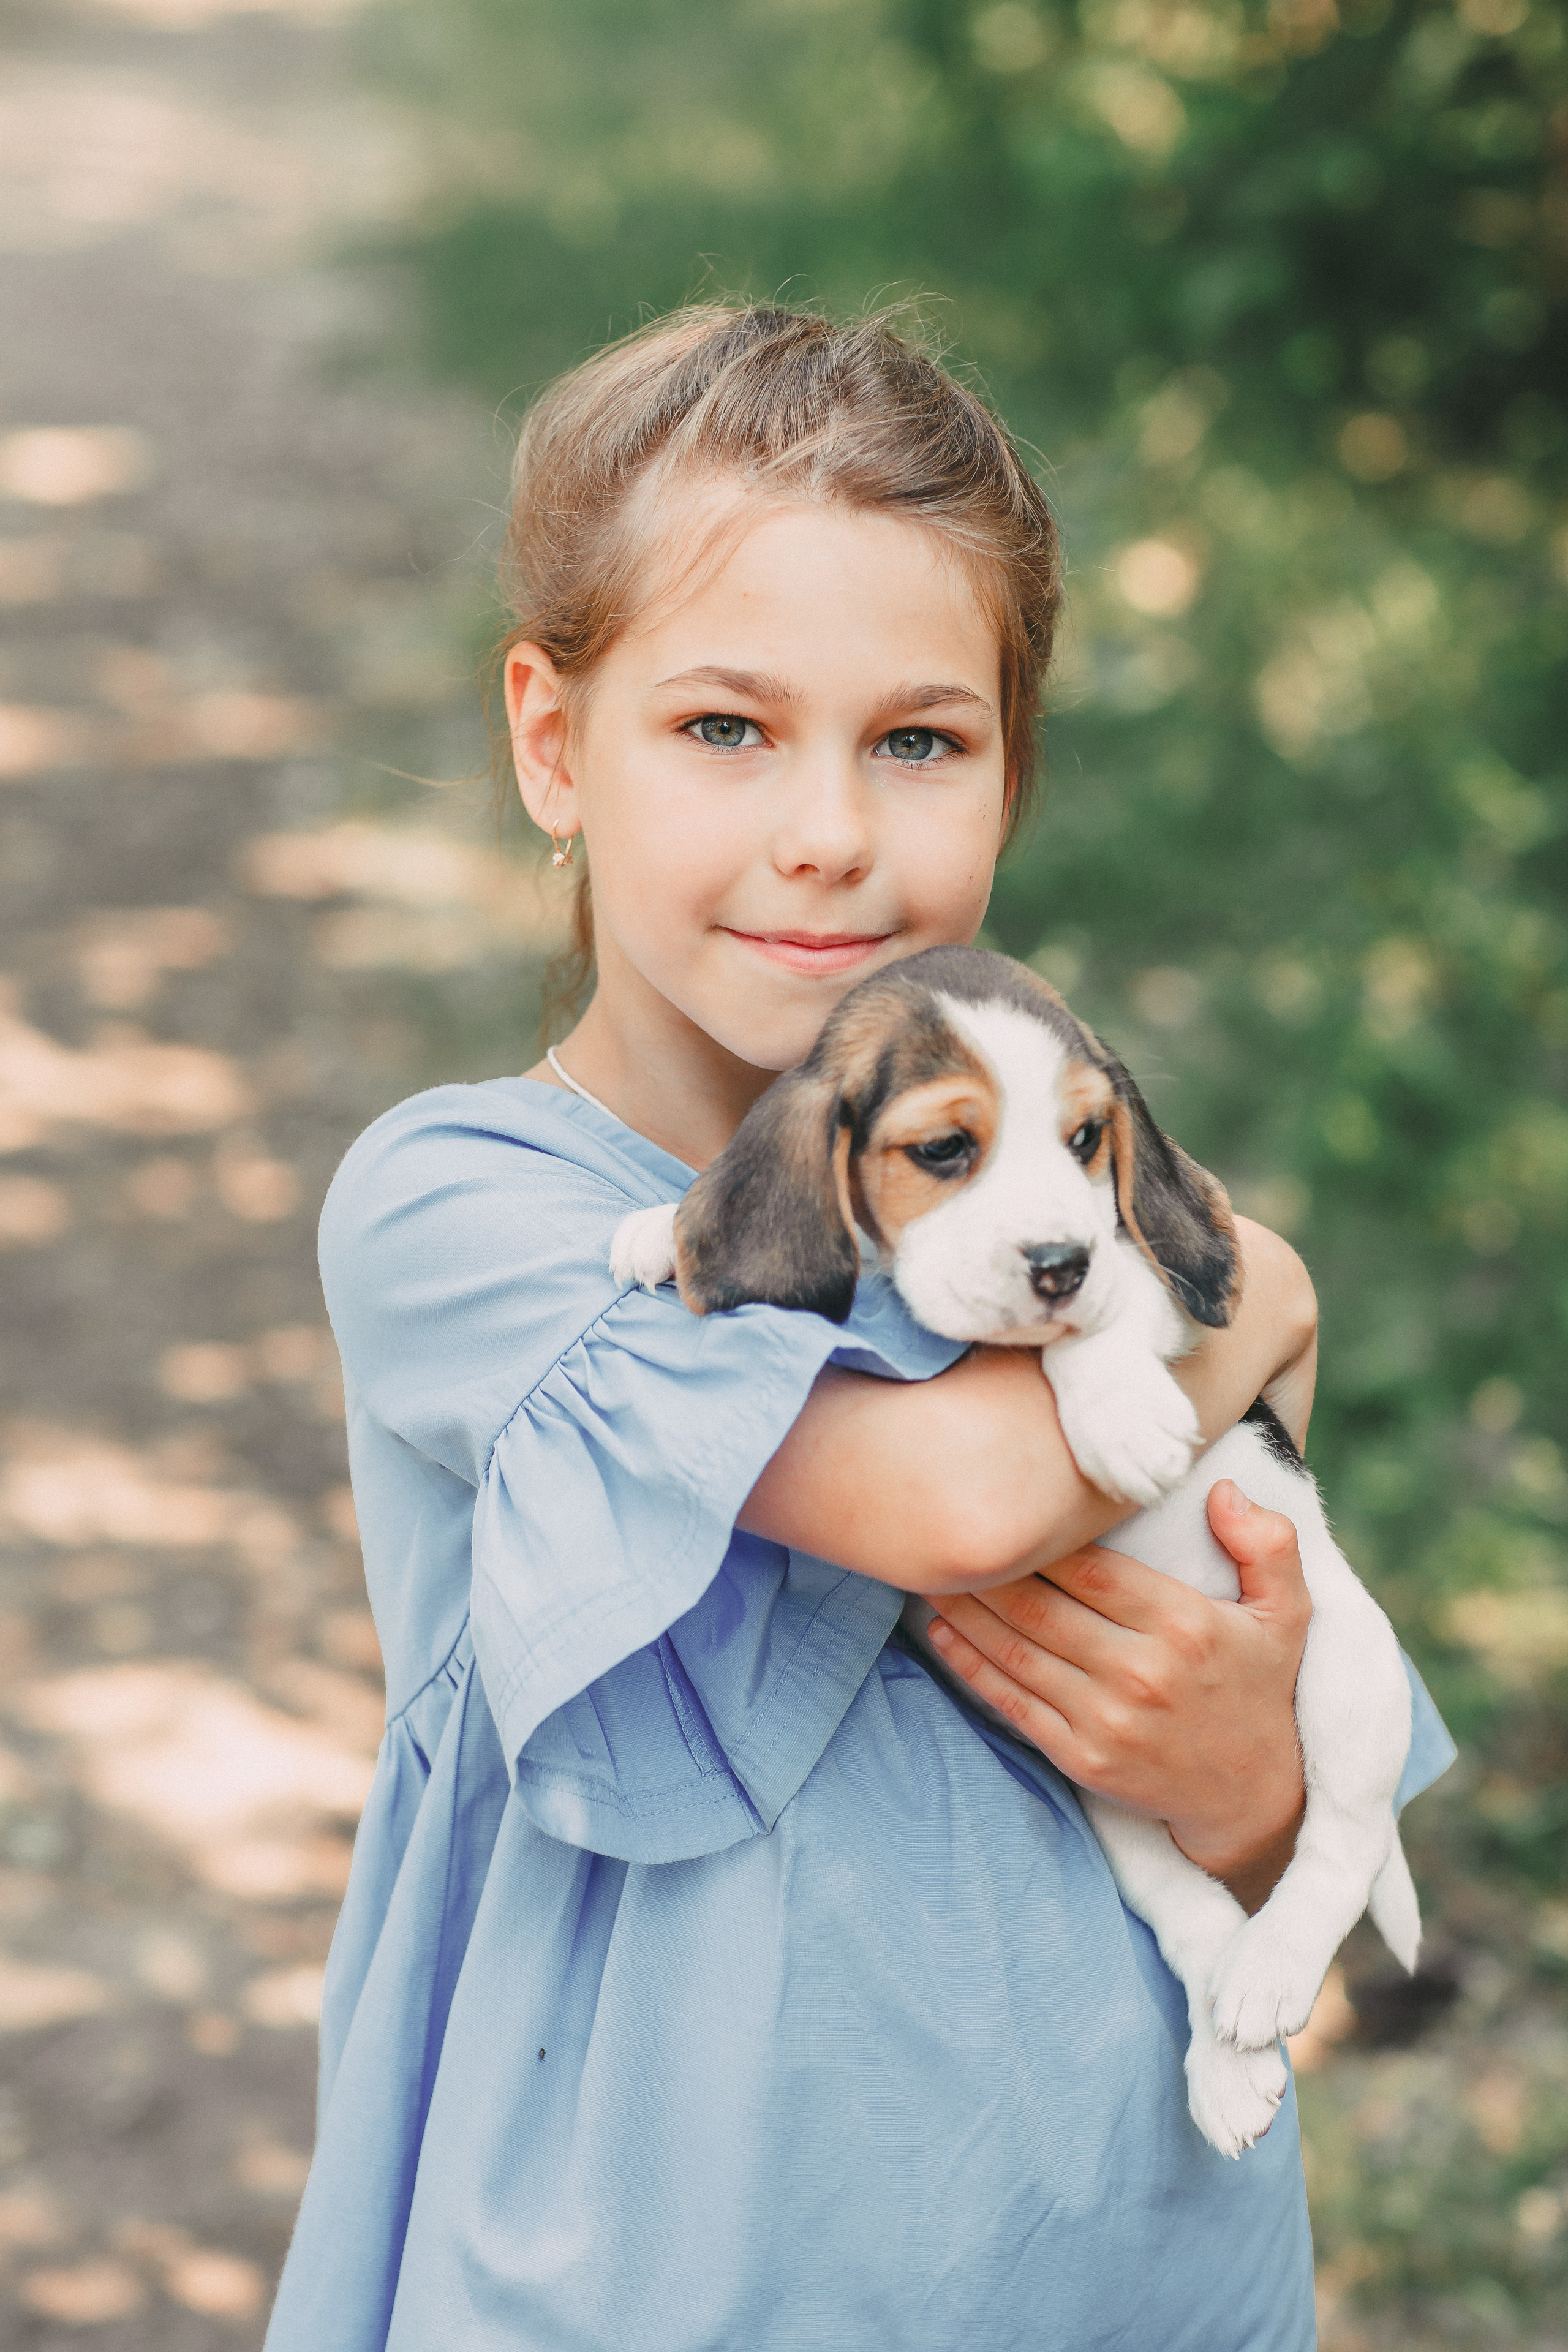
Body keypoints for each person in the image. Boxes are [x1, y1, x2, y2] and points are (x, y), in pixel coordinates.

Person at [265, 305, 1453, 2351]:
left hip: (1126, 2259)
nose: (830, 829)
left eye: (920, 739)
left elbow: (1271, 1816)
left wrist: (1252, 1784)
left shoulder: (1059, 1221)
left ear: (1008, 773)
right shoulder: (462, 1205)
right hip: (662, 2278)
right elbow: (956, 1499)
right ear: (553, 744)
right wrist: (1261, 1285)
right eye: (726, 728)